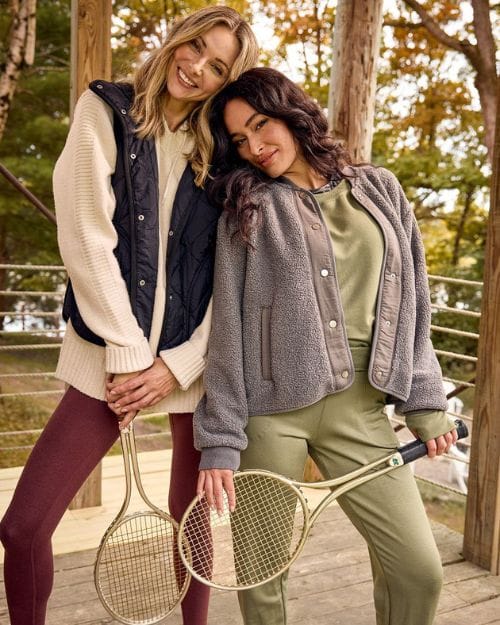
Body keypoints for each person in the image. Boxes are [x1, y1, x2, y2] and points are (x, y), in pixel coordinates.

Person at [0, 8, 258, 625]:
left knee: (191, 524)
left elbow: (234, 274)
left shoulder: (224, 149)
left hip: (191, 364)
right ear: (177, 39)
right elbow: (86, 235)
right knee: (23, 526)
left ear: (226, 82)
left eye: (217, 66)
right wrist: (129, 354)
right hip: (110, 355)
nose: (196, 67)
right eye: (195, 47)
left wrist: (178, 365)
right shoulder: (105, 109)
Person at [194, 67, 458, 625]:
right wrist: (220, 437)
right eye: (240, 140)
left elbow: (415, 302)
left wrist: (427, 401)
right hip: (270, 415)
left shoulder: (380, 188)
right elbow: (228, 331)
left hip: (362, 408)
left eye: (262, 125)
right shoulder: (248, 208)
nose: (255, 147)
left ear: (291, 113)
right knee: (264, 579)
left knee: (417, 570)